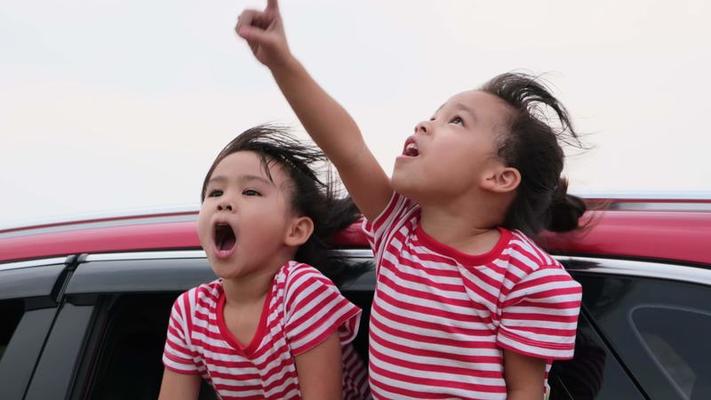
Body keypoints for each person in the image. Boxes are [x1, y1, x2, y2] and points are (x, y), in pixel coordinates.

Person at [236, 1, 585, 399]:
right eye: (435, 115)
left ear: (499, 177)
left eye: (456, 121)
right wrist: (281, 62)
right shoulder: (399, 230)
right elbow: (346, 147)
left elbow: (527, 393)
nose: (424, 123)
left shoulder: (526, 274)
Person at [158, 125, 370, 400]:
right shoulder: (190, 312)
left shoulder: (301, 292)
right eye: (215, 193)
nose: (225, 202)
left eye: (250, 192)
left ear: (295, 231)